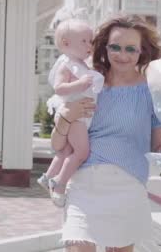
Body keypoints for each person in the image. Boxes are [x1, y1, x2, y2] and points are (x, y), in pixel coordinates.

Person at [50, 14, 161, 252]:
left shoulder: (152, 92)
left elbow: (158, 147)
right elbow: (57, 145)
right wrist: (67, 115)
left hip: (128, 186)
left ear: (142, 51)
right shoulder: (85, 82)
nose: (122, 55)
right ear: (104, 47)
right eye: (115, 47)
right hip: (83, 186)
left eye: (131, 49)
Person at [37, 17, 104, 207]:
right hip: (75, 117)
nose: (89, 45)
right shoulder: (66, 64)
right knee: (82, 152)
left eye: (90, 41)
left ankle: (47, 176)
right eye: (84, 41)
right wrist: (80, 84)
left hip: (81, 117)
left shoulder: (82, 65)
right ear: (66, 43)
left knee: (68, 150)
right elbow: (59, 88)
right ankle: (59, 183)